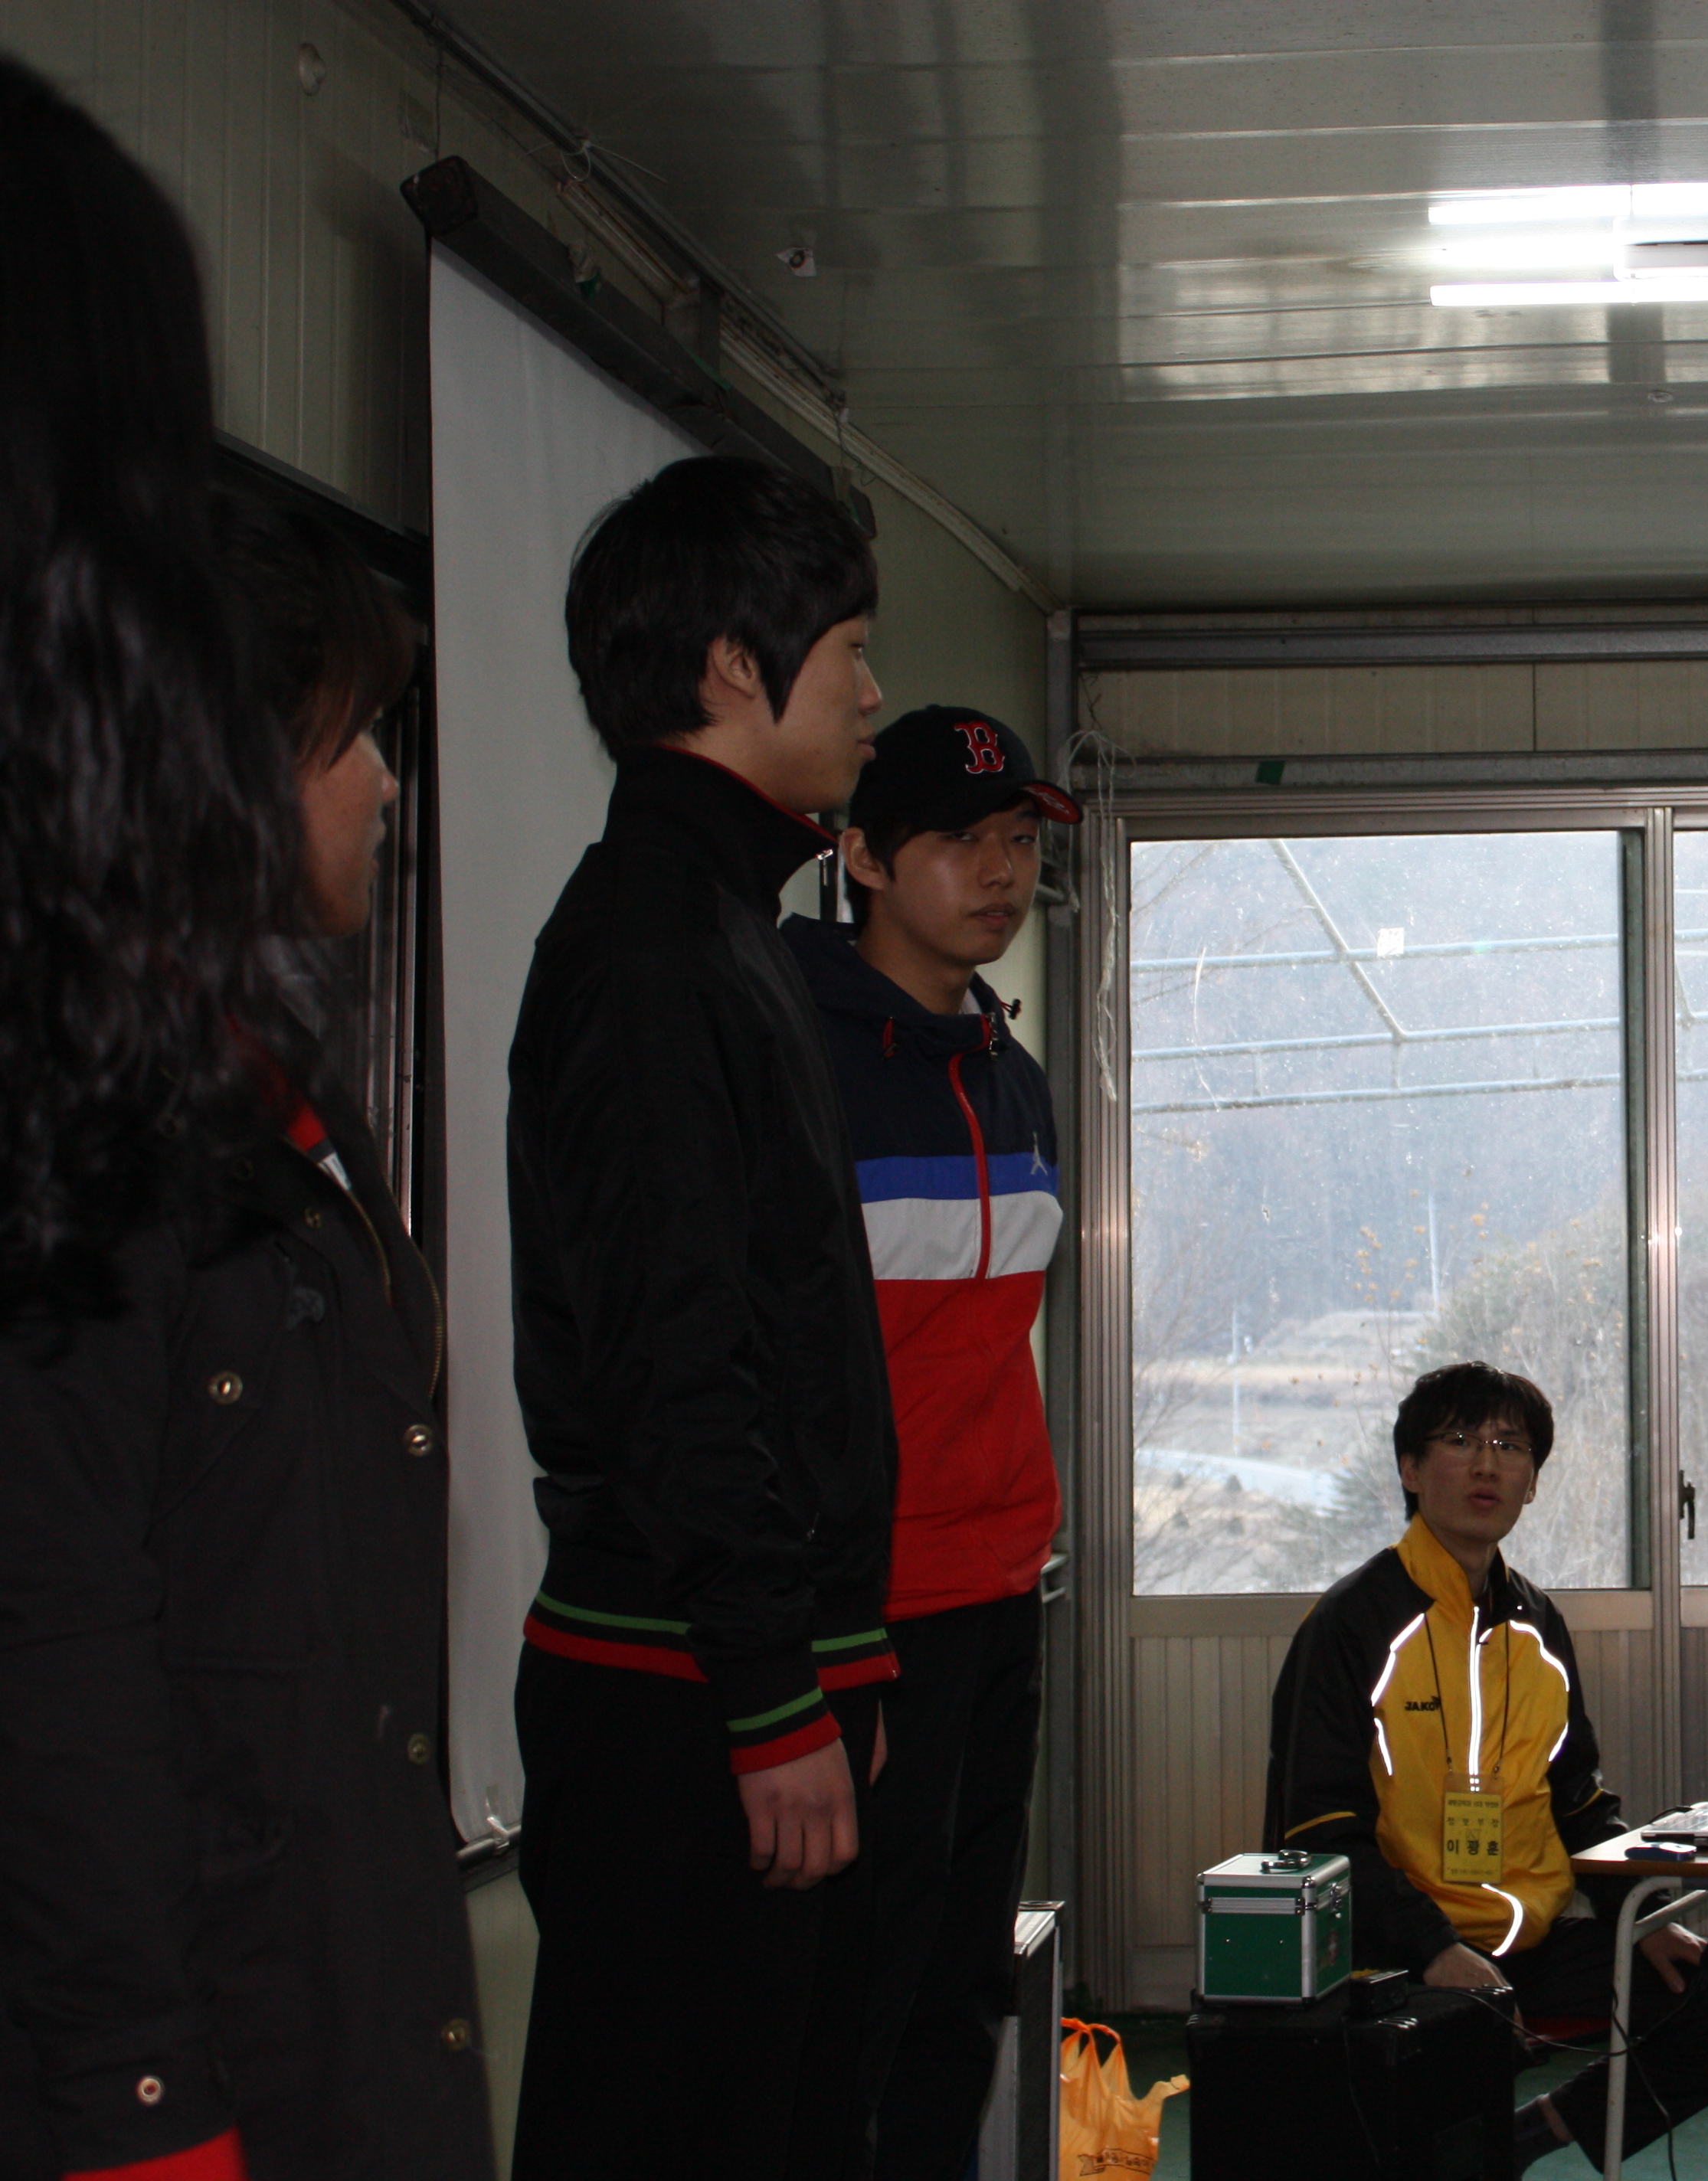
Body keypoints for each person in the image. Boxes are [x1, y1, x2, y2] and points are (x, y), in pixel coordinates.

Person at [0, 57, 488, 2170]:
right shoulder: (91, 1124)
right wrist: (143, 2103)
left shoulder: (269, 1104)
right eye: (351, 735)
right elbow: (67, 1651)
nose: (385, 784)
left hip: (332, 2006)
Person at [507, 453, 901, 2180]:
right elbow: (676, 1353)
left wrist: (830, 1660)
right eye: (852, 652)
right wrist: (767, 1692)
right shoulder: (650, 942)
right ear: (738, 667)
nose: (873, 694)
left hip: (731, 1676)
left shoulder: (724, 920)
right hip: (672, 1693)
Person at [780, 707, 1079, 2177]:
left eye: (1018, 839)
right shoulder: (795, 1058)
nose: (1001, 870)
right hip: (861, 1608)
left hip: (997, 1587)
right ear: (860, 855)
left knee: (963, 1978)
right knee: (852, 1991)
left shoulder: (1007, 1071)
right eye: (960, 839)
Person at [1265, 1362, 1708, 2173]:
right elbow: (1318, 1831)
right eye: (1459, 1441)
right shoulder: (1352, 1623)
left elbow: (1580, 1802)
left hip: (1526, 1944)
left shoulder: (1537, 1624)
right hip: (1395, 1957)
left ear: (1532, 1481)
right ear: (1411, 1470)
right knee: (1446, 2092)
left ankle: (1536, 2133)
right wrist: (1433, 1947)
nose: (1486, 1465)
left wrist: (1646, 1920)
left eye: (1509, 1446)